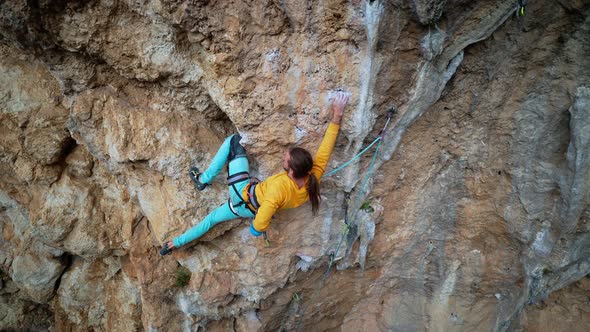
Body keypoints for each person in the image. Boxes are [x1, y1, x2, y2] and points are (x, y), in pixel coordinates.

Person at [160, 91, 350, 255]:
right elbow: (325, 150)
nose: (283, 156)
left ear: (291, 170)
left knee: (234, 142)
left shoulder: (279, 188)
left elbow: (260, 222)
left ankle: (203, 179)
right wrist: (337, 117)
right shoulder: (313, 178)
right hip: (244, 209)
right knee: (210, 220)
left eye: (285, 158)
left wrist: (256, 230)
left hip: (241, 192)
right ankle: (175, 243)